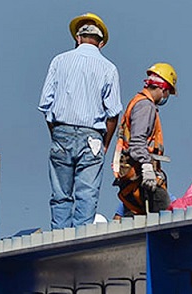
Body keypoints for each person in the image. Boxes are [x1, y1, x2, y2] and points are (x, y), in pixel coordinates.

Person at [38, 12, 122, 229]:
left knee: (60, 194)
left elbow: (45, 105)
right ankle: (79, 240)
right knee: (87, 195)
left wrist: (56, 133)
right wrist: (105, 144)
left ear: (78, 37)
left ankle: (58, 238)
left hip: (61, 131)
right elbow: (113, 114)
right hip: (93, 137)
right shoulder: (109, 68)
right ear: (101, 43)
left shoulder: (59, 61)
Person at [112, 63, 177, 215]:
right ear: (163, 88)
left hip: (133, 176)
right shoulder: (145, 106)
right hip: (140, 174)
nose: (166, 97)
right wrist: (147, 167)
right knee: (165, 216)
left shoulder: (138, 102)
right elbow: (137, 143)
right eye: (168, 92)